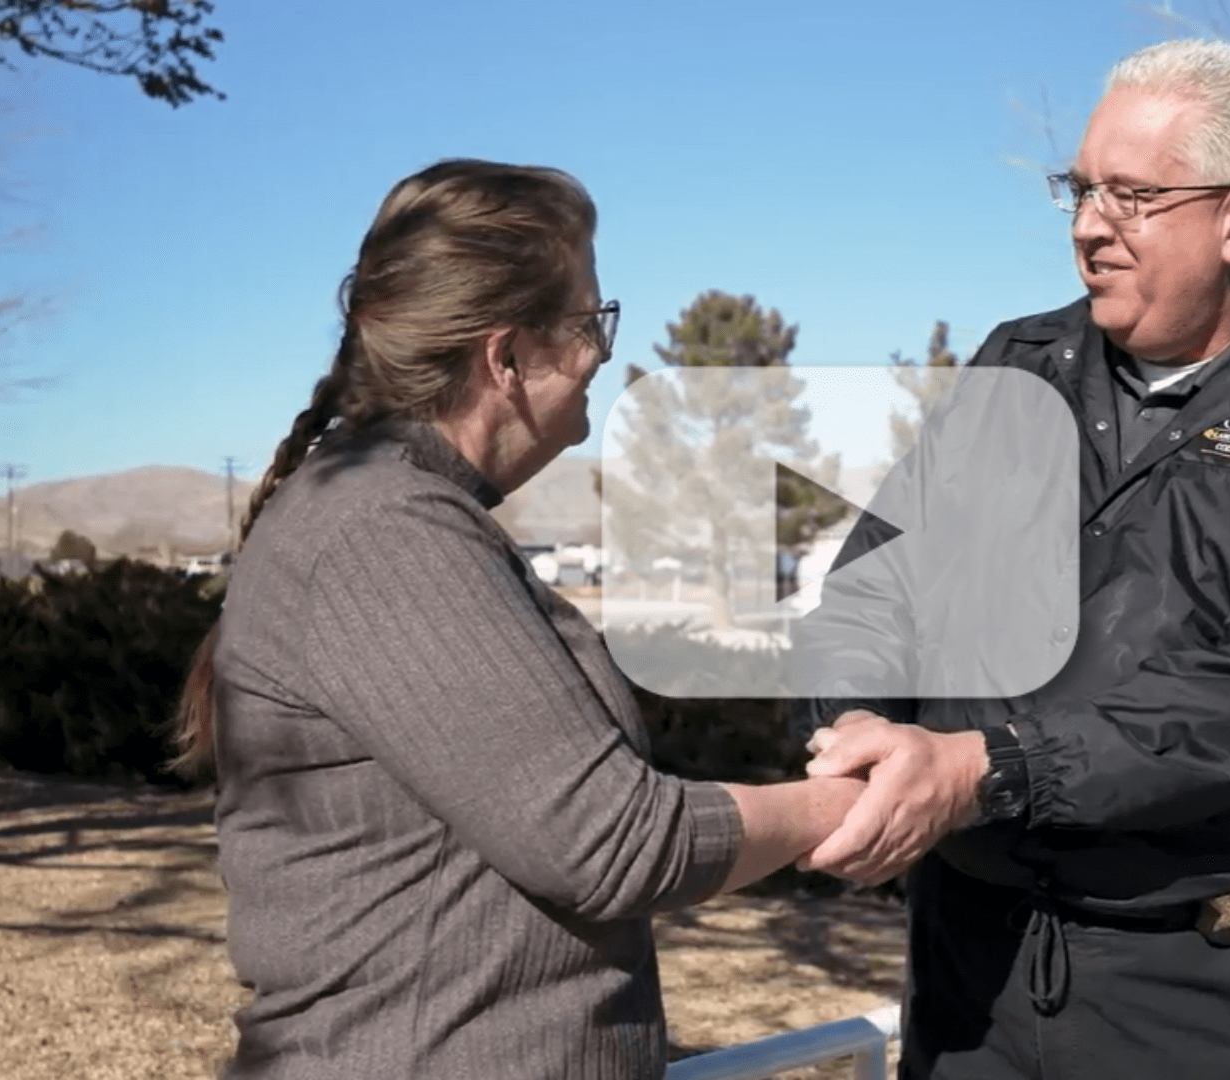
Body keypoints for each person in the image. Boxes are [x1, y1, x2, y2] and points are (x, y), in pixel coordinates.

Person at [799, 39, 1230, 1079]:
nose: (1088, 226)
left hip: (1212, 996)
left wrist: (992, 770)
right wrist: (856, 723)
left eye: (1133, 196)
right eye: (1080, 188)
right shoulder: (1021, 361)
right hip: (970, 976)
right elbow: (873, 589)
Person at [169, 160, 864, 1080]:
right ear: (505, 357)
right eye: (588, 323)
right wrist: (844, 807)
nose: (602, 354)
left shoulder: (394, 511)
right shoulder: (384, 531)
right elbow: (613, 842)